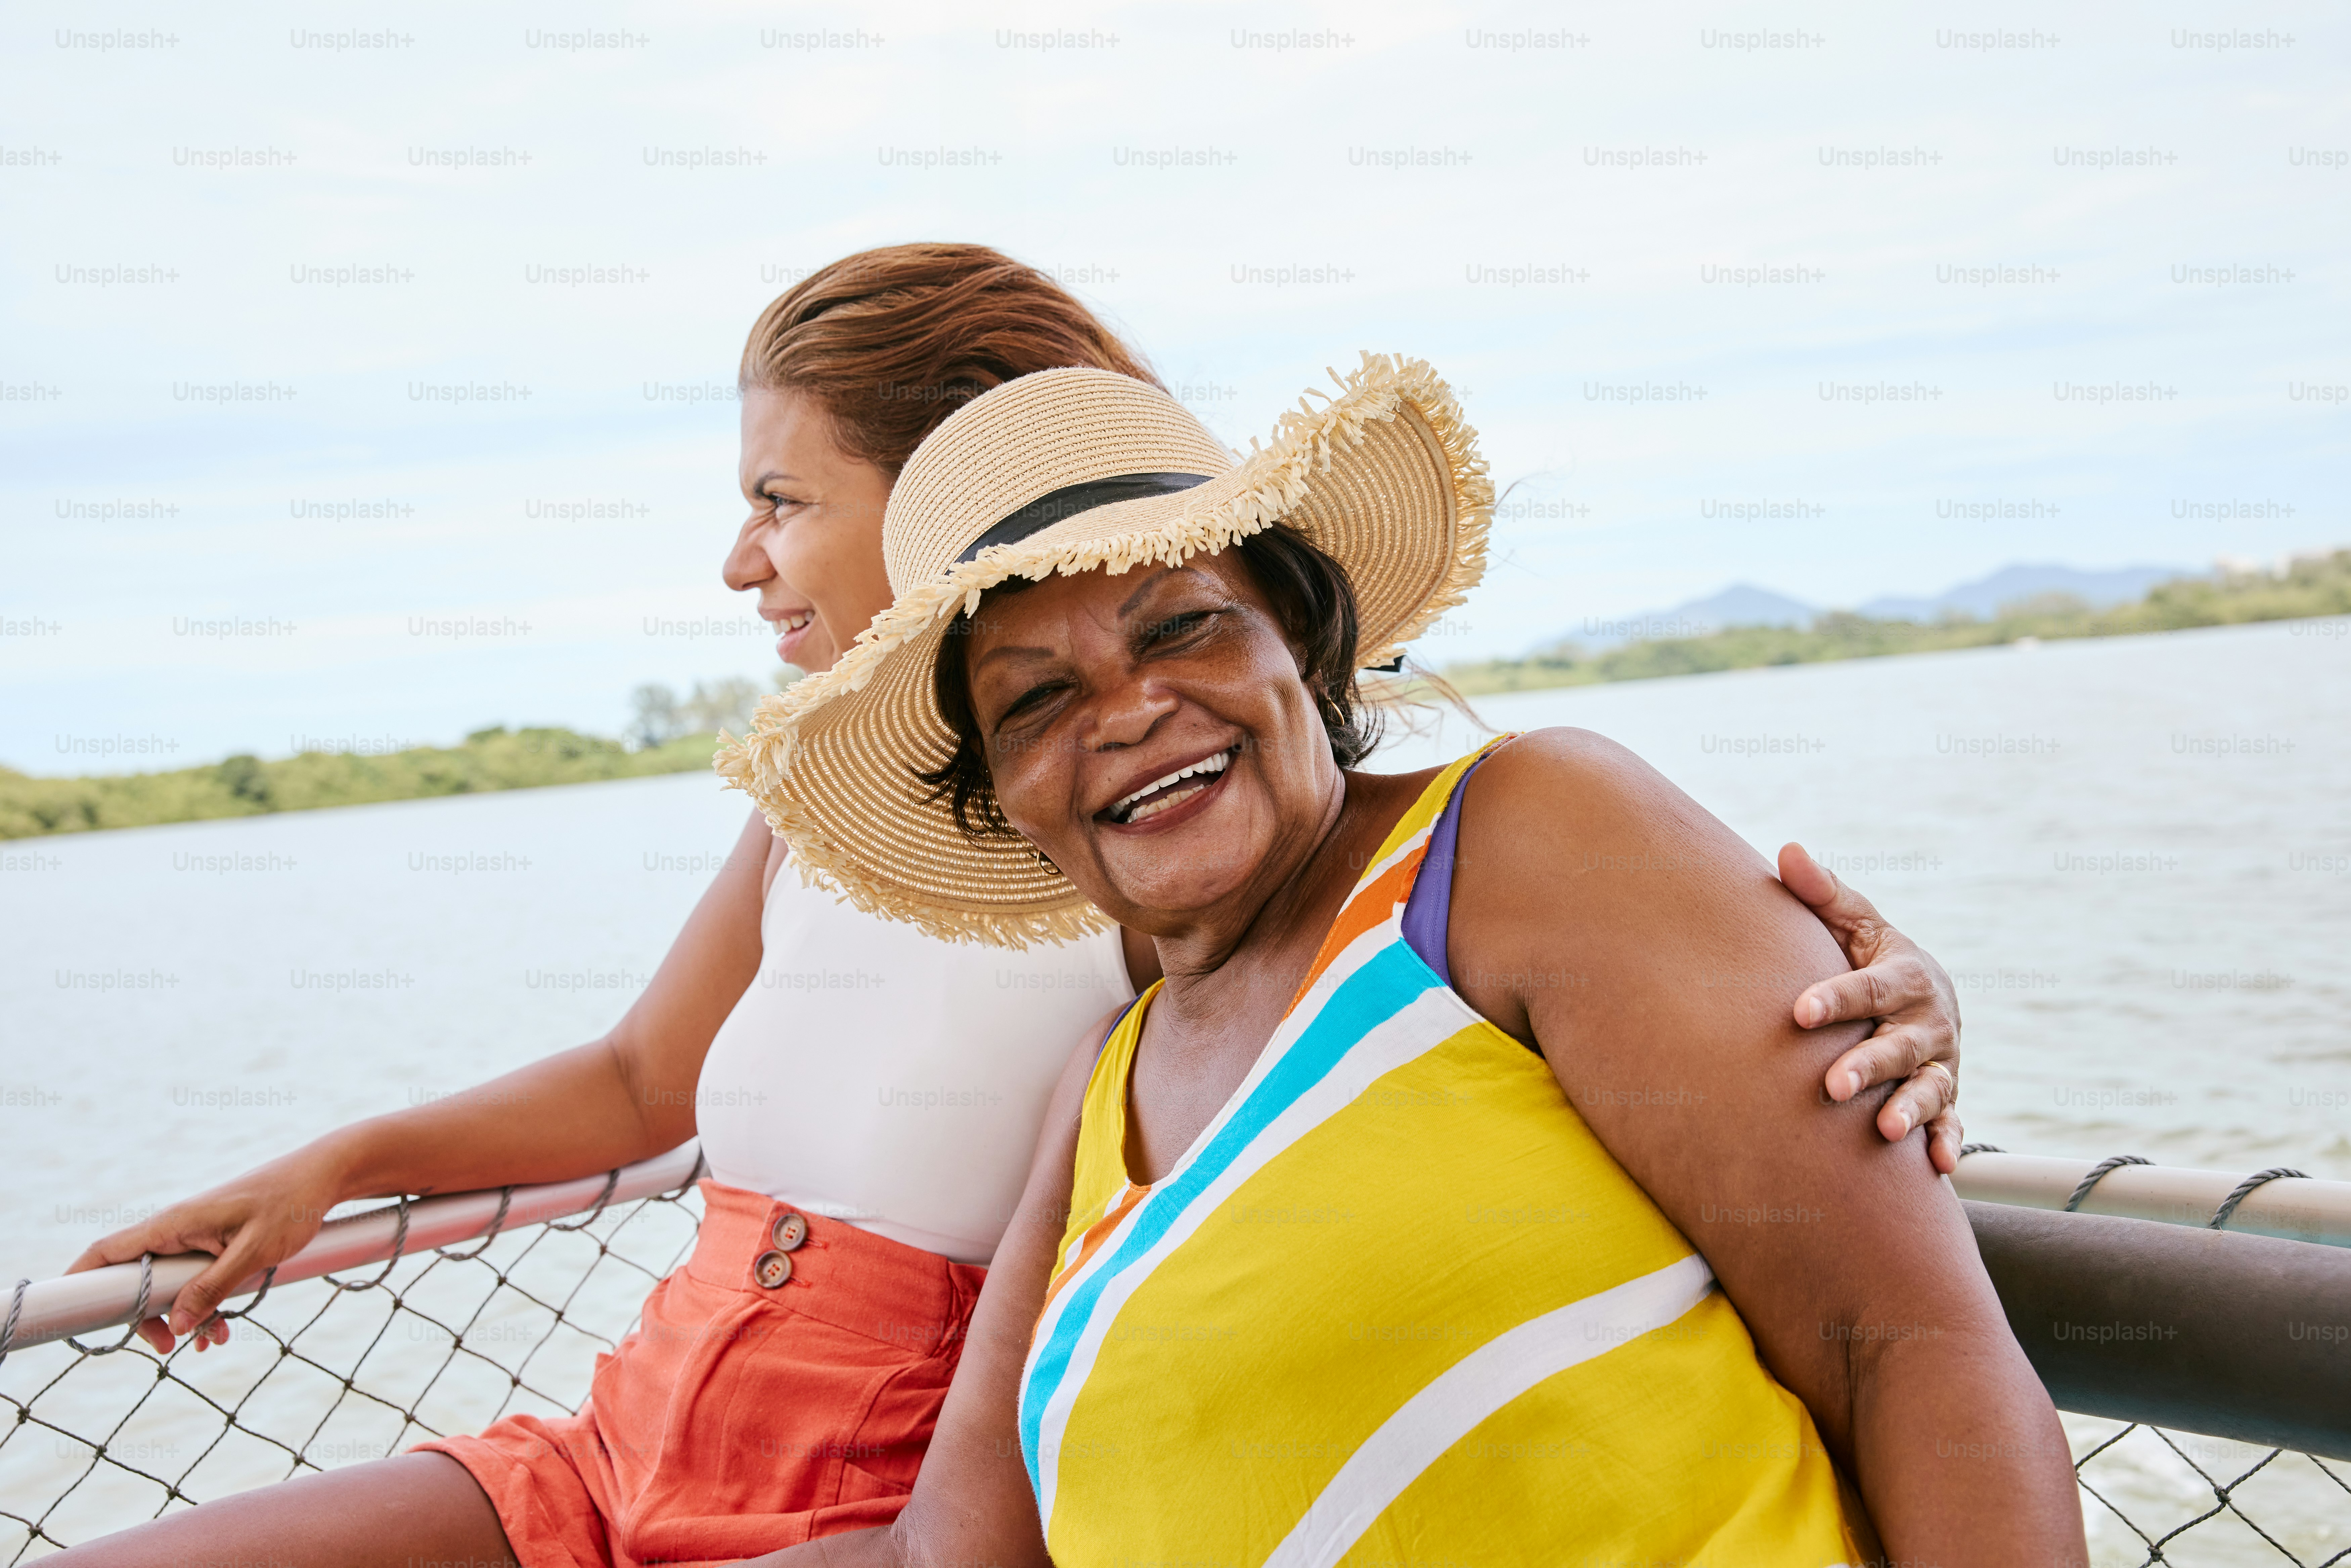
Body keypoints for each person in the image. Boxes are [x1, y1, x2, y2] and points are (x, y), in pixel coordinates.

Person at [54, 253, 1967, 1568]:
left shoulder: (1258, 854)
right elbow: (648, 1077)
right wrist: (338, 1164)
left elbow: (1495, 929)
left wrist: (1859, 981)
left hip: (861, 1482)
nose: (740, 559)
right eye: (1033, 693)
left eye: (781, 500)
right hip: (628, 1430)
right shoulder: (955, 906)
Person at [725, 359, 2082, 1565]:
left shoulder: (1519, 844)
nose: (1129, 713)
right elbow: (948, 1557)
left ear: (1301, 638)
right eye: (1036, 698)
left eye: (1182, 626)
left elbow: (1906, 1349)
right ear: (1004, 794)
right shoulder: (1099, 1090)